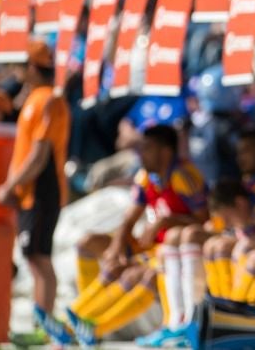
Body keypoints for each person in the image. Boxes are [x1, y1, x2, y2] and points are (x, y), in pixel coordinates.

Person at [67, 124, 208, 347]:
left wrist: (166, 220)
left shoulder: (183, 177)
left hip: (176, 251)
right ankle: (76, 319)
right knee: (90, 244)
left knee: (133, 275)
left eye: (148, 148)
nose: (141, 154)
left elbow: (204, 222)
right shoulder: (146, 178)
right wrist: (116, 247)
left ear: (165, 152)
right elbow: (128, 220)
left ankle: (90, 327)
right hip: (153, 247)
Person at [0, 40, 71, 344]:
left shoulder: (48, 100)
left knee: (39, 258)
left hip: (43, 189)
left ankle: (44, 326)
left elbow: (40, 154)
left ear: (30, 66)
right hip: (34, 191)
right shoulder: (37, 99)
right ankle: (44, 324)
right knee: (34, 257)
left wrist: (11, 185)